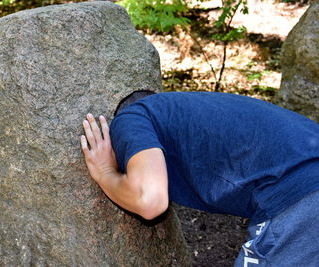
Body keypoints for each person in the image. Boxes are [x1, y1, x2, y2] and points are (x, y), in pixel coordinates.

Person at [80, 90, 319, 266]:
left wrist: (105, 173)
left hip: (299, 196)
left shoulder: (133, 117)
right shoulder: (202, 113)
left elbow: (150, 201)